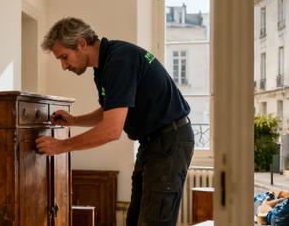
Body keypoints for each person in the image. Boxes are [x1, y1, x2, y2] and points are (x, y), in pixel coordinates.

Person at [35, 17, 194, 226]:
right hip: (153, 143)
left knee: (154, 222)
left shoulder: (119, 61)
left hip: (169, 141)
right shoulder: (105, 66)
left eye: (64, 57)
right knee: (136, 221)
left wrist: (61, 146)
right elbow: (111, 111)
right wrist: (74, 120)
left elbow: (112, 130)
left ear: (81, 44)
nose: (64, 66)